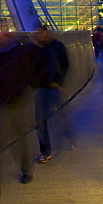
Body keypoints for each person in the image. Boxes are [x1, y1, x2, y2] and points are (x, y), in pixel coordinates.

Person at [0, 30, 43, 201]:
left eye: (6, 33)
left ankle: (27, 170)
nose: (3, 34)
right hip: (4, 104)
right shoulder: (1, 52)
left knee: (23, 140)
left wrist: (26, 89)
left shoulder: (23, 50)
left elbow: (35, 70)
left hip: (19, 103)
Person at [33, 25, 74, 163]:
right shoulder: (38, 48)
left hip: (54, 87)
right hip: (41, 88)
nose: (40, 36)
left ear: (47, 33)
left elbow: (65, 64)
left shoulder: (57, 46)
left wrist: (59, 82)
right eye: (38, 34)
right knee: (40, 120)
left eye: (42, 33)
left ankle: (69, 137)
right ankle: (46, 152)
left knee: (60, 116)